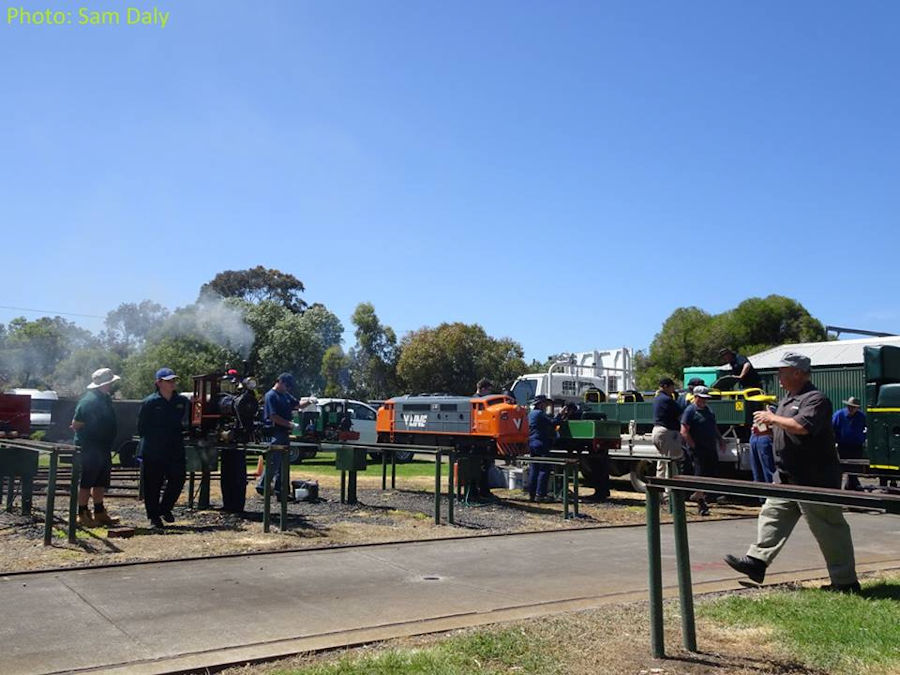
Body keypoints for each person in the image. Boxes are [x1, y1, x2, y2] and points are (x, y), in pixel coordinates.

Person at [725, 352, 859, 593]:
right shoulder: (787, 400)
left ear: (798, 373)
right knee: (772, 516)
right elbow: (786, 428)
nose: (778, 375)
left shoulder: (815, 399)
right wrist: (769, 430)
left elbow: (801, 427)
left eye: (782, 370)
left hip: (814, 479)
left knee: (829, 530)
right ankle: (756, 562)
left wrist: (772, 417)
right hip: (787, 476)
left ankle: (846, 582)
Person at [138, 368, 189, 529]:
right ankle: (154, 517)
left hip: (175, 448)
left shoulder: (181, 401)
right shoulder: (150, 402)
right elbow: (141, 427)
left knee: (178, 479)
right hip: (154, 449)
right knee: (153, 484)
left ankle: (165, 508)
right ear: (159, 383)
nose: (172, 383)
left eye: (173, 380)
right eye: (168, 381)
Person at [71, 368, 120, 527]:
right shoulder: (89, 401)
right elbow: (76, 423)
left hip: (103, 446)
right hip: (89, 447)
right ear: (103, 384)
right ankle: (82, 513)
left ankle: (99, 512)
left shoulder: (105, 398)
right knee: (87, 481)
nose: (111, 385)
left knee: (100, 481)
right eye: (110, 382)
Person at [680, 385, 726, 515]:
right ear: (695, 397)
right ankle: (701, 504)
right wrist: (693, 446)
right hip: (698, 449)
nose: (704, 401)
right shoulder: (690, 411)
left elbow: (713, 426)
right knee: (699, 475)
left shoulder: (708, 410)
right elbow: (684, 431)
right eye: (702, 398)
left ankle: (707, 497)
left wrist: (720, 439)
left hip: (710, 447)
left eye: (706, 398)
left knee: (711, 473)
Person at [652, 377, 683, 481]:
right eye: (672, 387)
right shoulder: (667, 399)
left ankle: (659, 486)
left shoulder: (657, 399)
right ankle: (670, 489)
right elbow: (679, 412)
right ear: (665, 387)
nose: (673, 390)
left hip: (657, 431)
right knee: (671, 463)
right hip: (667, 432)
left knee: (662, 461)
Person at [832, 396, 866, 491]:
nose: (850, 408)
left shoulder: (861, 416)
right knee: (845, 467)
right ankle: (853, 487)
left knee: (854, 467)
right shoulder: (839, 415)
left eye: (853, 407)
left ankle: (850, 487)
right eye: (849, 406)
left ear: (857, 408)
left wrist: (863, 438)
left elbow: (867, 428)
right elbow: (832, 428)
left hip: (857, 446)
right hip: (843, 446)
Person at [527, 395, 555, 502]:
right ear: (541, 404)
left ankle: (532, 493)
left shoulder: (531, 414)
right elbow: (552, 422)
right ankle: (540, 494)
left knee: (534, 469)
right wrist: (560, 415)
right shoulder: (539, 414)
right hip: (541, 444)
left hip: (532, 443)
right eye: (545, 404)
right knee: (544, 469)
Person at [749, 405, 776, 485]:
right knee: (758, 471)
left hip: (763, 437)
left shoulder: (773, 409)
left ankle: (769, 490)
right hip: (756, 437)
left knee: (767, 470)